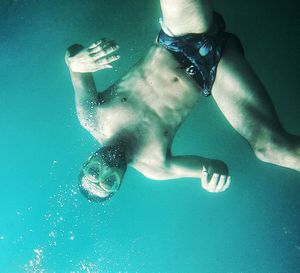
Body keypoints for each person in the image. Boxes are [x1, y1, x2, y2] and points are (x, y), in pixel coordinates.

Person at [65, 0, 300, 202]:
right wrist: (213, 178)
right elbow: (215, 166)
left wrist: (76, 61)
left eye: (94, 171)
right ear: (120, 183)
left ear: (87, 162)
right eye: (108, 181)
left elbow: (73, 56)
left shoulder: (90, 116)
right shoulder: (155, 167)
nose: (106, 169)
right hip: (214, 73)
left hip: (179, 38)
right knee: (270, 149)